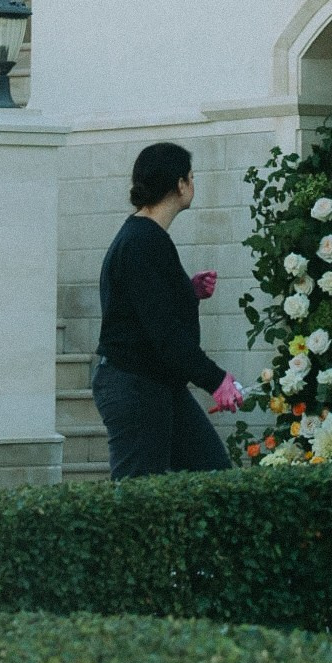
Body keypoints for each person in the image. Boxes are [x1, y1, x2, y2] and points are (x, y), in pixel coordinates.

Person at [91, 142, 242, 479]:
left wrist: (187, 292)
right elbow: (164, 332)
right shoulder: (142, 241)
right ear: (179, 185)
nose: (193, 184)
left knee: (212, 473)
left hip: (155, 380)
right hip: (133, 383)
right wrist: (217, 380)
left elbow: (143, 304)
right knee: (137, 496)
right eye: (191, 177)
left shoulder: (144, 237)